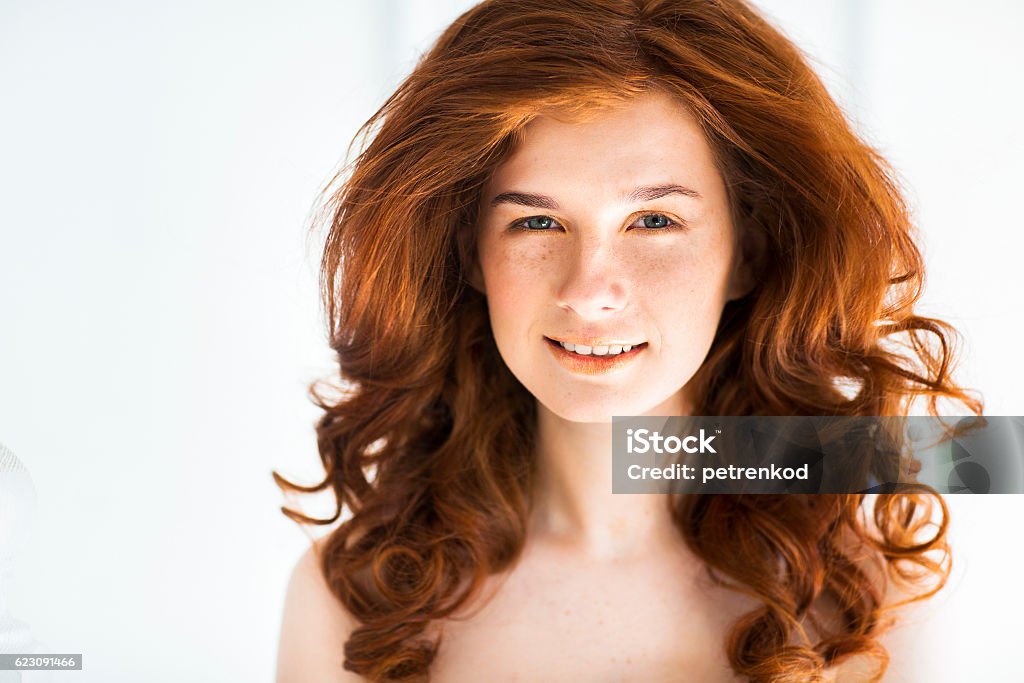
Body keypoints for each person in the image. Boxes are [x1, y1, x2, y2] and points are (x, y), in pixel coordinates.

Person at [274, 0, 981, 680]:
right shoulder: (351, 601)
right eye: (536, 224)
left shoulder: (874, 599)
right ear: (469, 254)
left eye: (653, 222)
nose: (589, 290)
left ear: (751, 251)